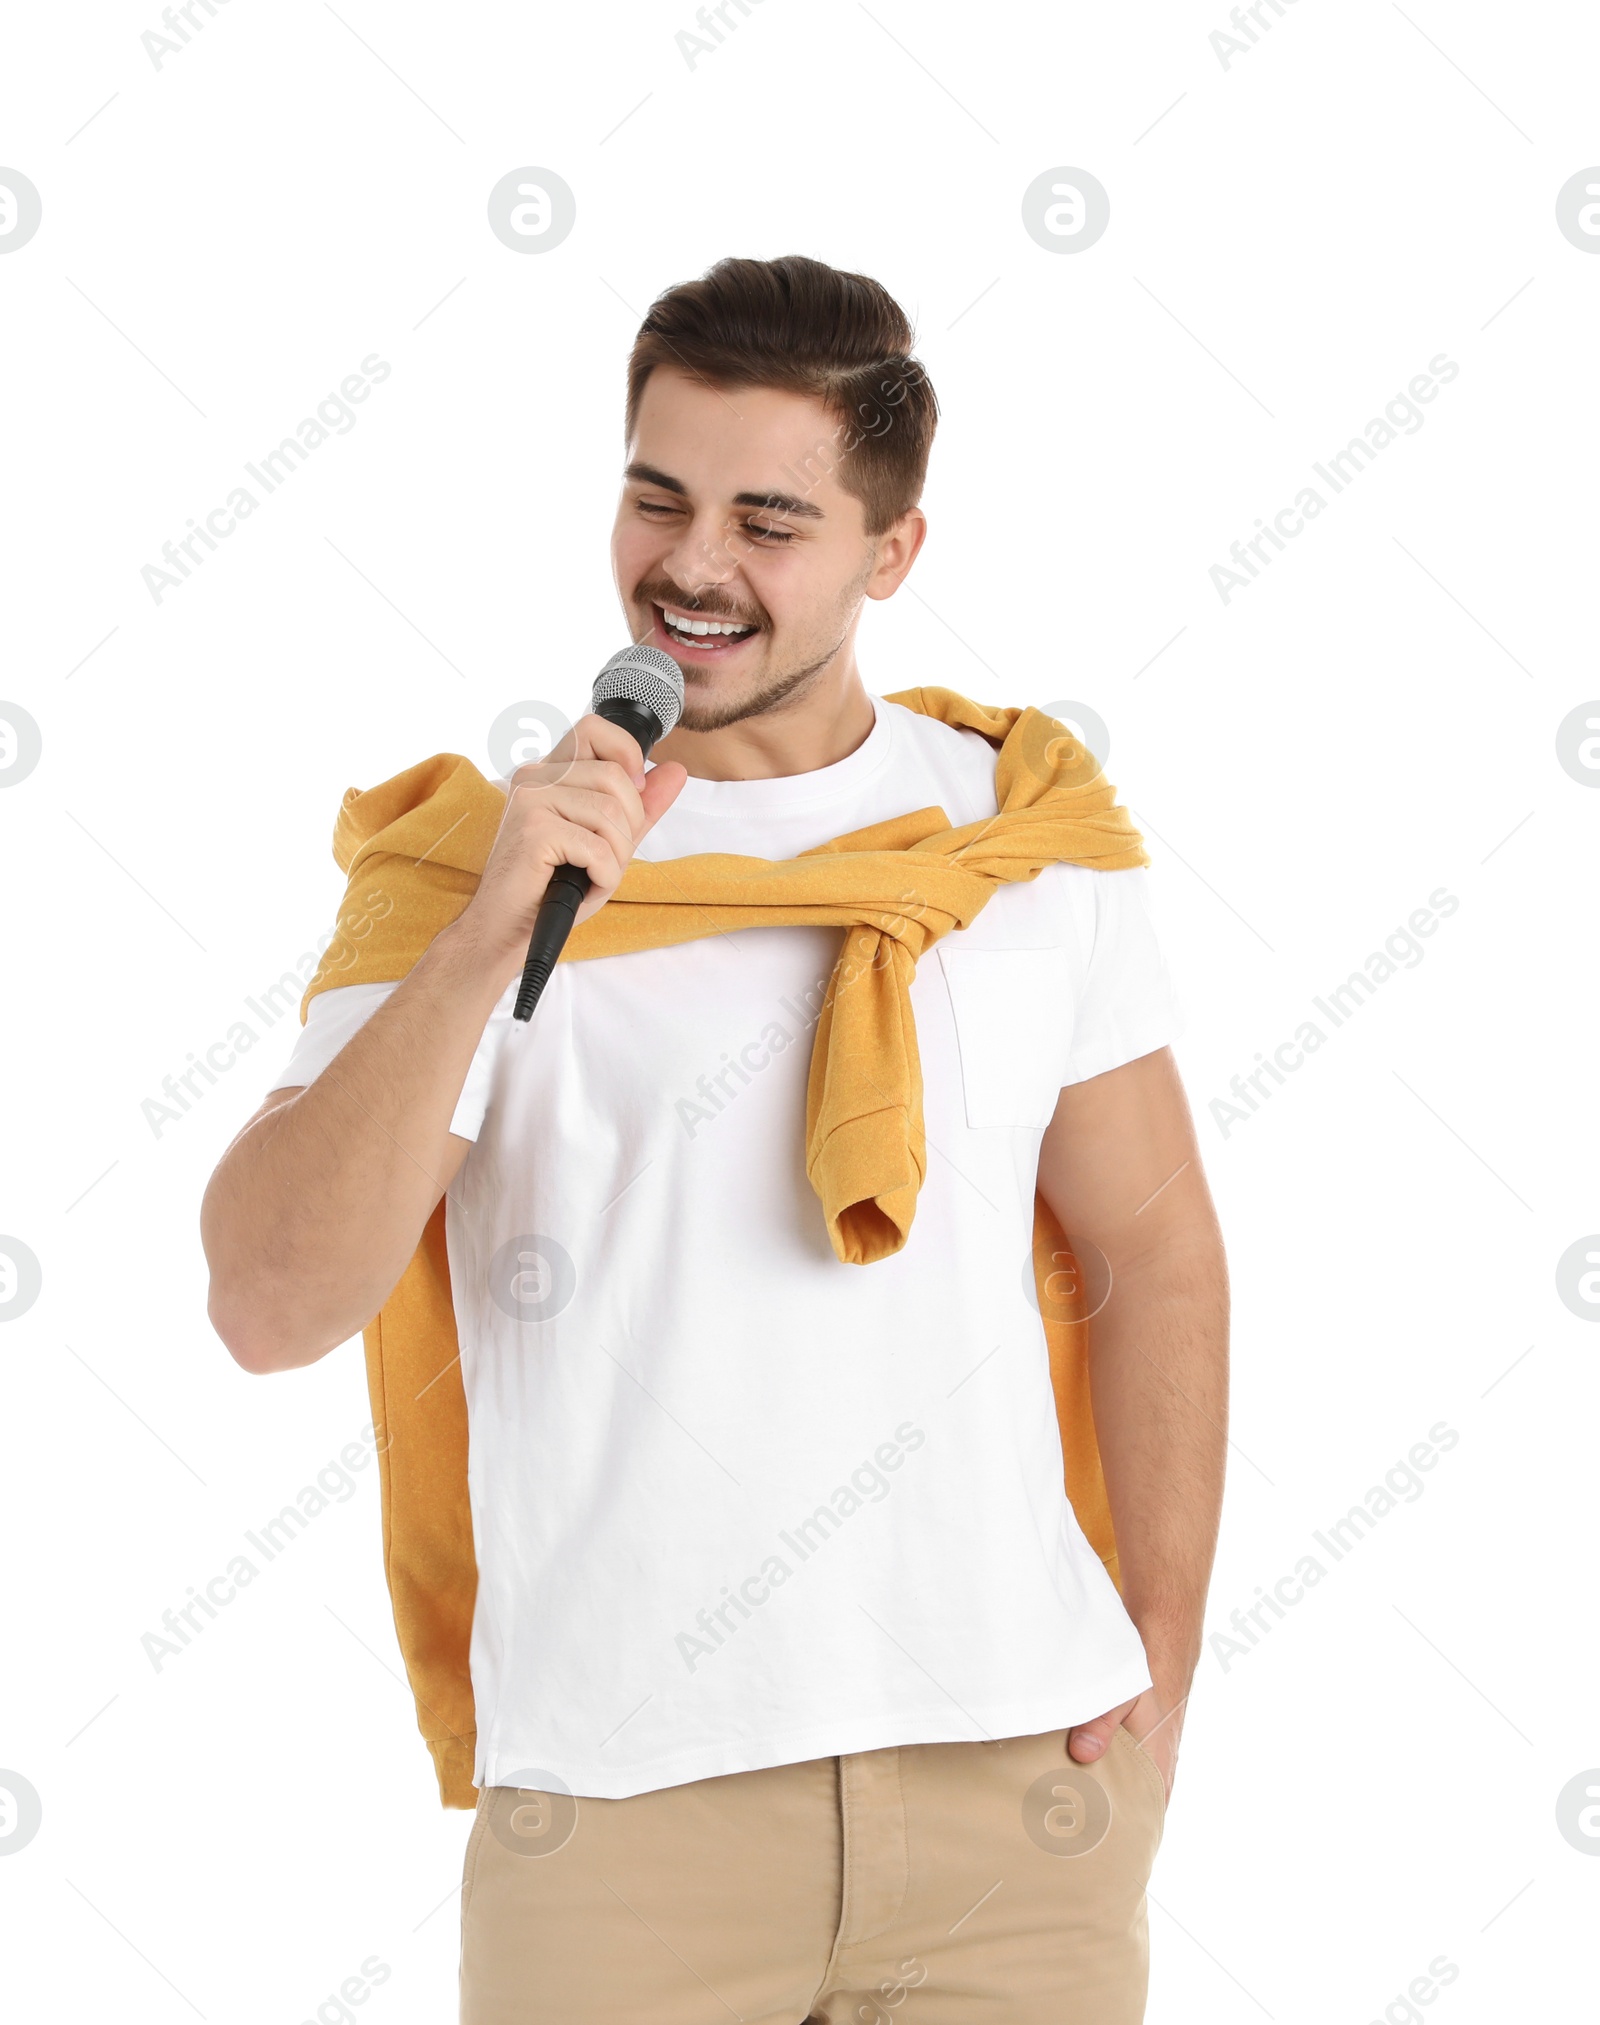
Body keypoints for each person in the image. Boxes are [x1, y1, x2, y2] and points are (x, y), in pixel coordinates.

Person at [202, 253, 1228, 2025]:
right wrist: (490, 935)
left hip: (1016, 1800)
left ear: (890, 553)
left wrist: (1167, 1656)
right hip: (623, 1816)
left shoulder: (1022, 836)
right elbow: (270, 1301)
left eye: (771, 519)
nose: (694, 565)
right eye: (657, 495)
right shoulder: (480, 868)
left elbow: (1156, 1254)